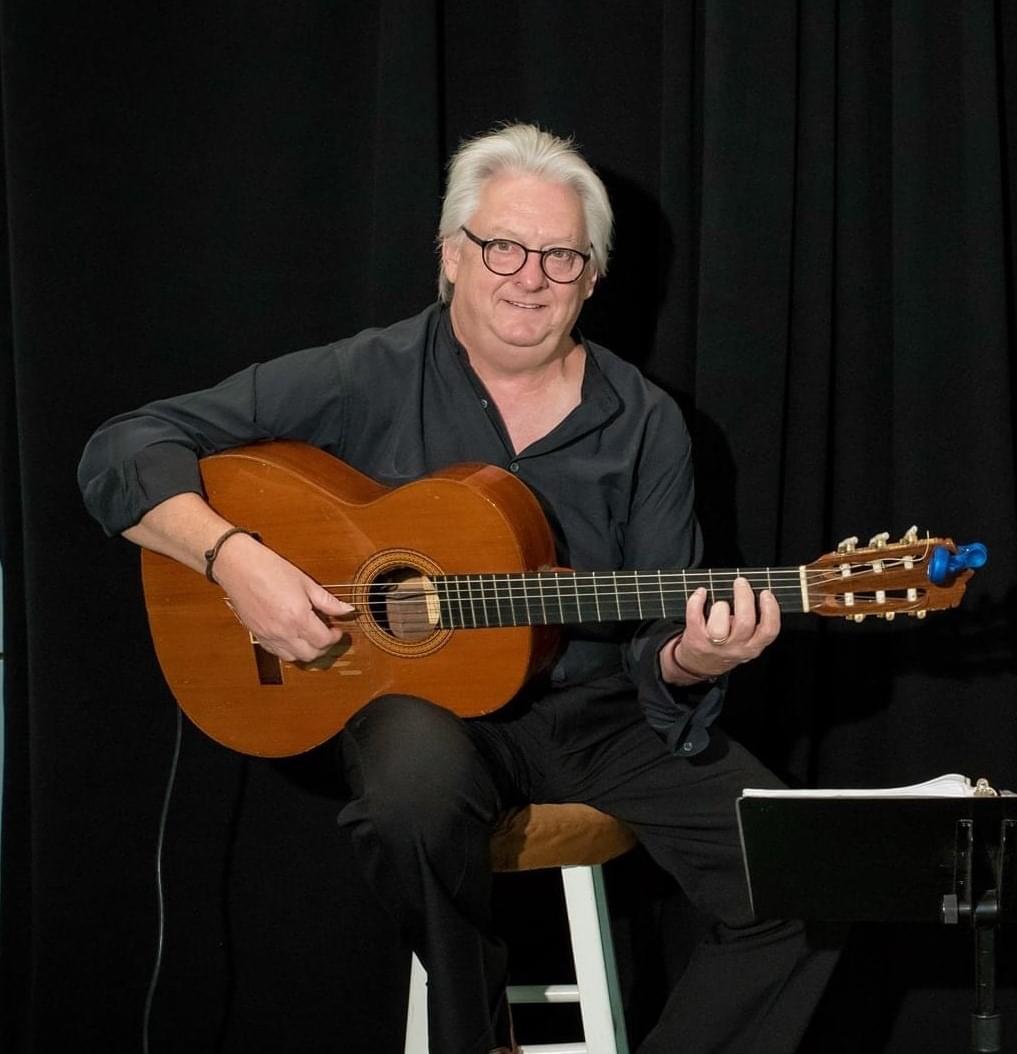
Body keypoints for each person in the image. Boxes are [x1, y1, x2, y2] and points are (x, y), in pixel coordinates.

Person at [79, 123, 836, 1054]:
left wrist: (690, 659)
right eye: (503, 246)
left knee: (813, 878)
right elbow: (121, 449)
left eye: (561, 256)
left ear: (592, 276)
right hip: (423, 706)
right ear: (450, 255)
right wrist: (235, 557)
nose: (530, 277)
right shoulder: (365, 375)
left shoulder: (646, 422)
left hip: (600, 718)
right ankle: (476, 1032)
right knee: (409, 801)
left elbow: (658, 644)